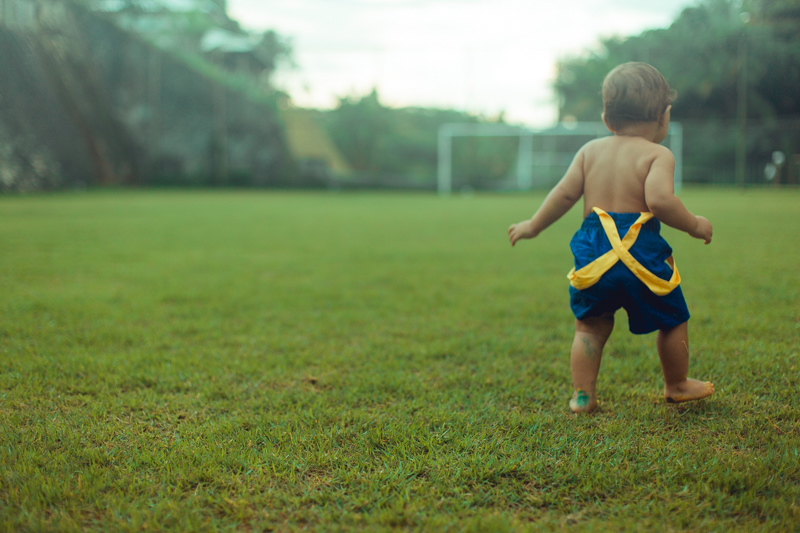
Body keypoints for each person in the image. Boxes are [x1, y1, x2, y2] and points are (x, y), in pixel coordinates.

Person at [508, 62, 714, 413]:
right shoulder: (657, 154)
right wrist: (695, 224)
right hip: (642, 252)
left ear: (606, 119)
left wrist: (533, 225)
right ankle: (677, 384)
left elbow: (563, 195)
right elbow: (661, 202)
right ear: (664, 117)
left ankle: (583, 395)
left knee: (588, 328)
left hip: (594, 251)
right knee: (673, 318)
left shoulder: (589, 152)